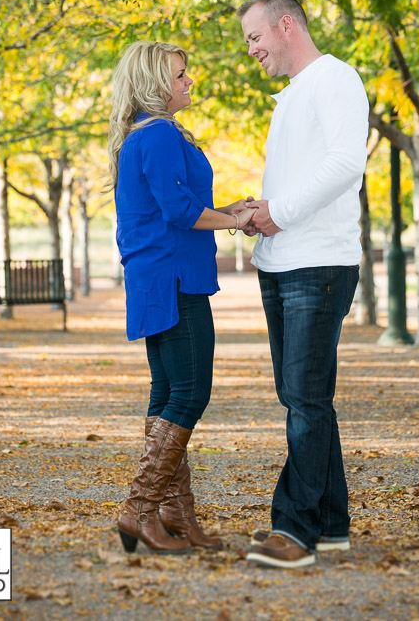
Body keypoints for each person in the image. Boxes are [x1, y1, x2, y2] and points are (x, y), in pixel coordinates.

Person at [238, 0, 369, 569]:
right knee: (305, 398)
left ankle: (293, 530)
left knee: (304, 401)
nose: (252, 50)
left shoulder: (336, 78)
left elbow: (346, 164)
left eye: (255, 37)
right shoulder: (290, 96)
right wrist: (263, 210)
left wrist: (279, 211)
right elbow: (299, 176)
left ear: (286, 25)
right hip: (283, 260)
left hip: (318, 264)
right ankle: (331, 524)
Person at [108, 41, 255, 556]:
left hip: (155, 276)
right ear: (154, 84)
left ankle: (174, 514)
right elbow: (179, 212)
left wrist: (227, 209)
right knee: (190, 393)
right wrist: (238, 221)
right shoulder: (162, 133)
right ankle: (140, 507)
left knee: (166, 391)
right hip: (174, 277)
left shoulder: (142, 136)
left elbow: (179, 205)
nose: (189, 81)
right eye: (180, 74)